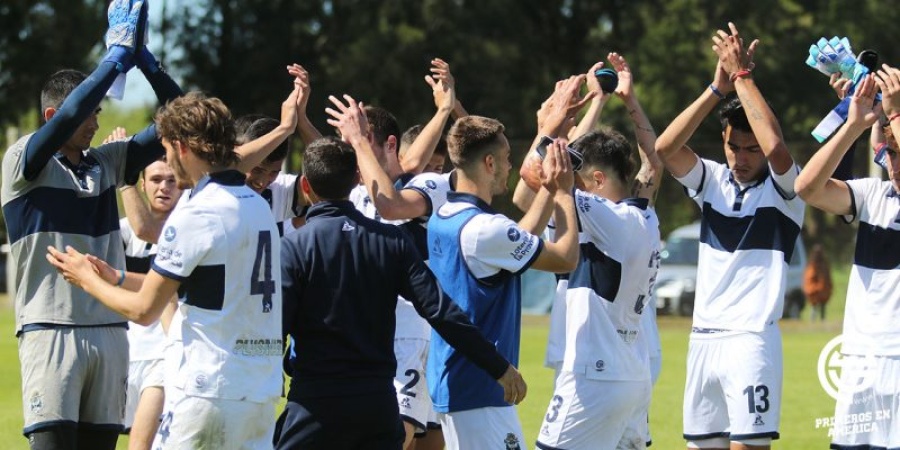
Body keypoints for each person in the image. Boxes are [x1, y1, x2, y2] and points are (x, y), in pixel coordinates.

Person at [46, 92, 283, 450]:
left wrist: (87, 279)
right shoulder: (257, 206)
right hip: (259, 393)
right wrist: (119, 277)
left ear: (182, 146)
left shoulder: (195, 212)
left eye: (168, 151)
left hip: (207, 391)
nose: (168, 163)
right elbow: (199, 285)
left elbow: (144, 310)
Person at [0, 2, 182, 448]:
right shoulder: (24, 162)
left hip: (111, 334)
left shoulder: (108, 162)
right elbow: (67, 115)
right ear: (52, 118)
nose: (97, 120)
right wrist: (112, 59)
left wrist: (145, 61)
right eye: (90, 112)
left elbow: (182, 115)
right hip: (50, 330)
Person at [274, 135, 526, 449]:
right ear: (357, 180)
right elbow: (439, 310)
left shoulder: (292, 246)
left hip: (314, 401)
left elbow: (276, 325)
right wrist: (498, 366)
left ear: (307, 187)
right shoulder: (390, 242)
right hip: (376, 405)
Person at [654, 23, 804, 450]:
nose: (740, 158)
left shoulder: (785, 191)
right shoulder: (714, 181)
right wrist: (716, 89)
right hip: (703, 338)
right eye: (732, 147)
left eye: (749, 149)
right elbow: (665, 150)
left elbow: (775, 148)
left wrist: (743, 78)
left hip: (751, 341)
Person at [517, 53, 665, 450]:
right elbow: (654, 162)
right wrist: (625, 99)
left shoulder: (600, 214)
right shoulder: (643, 216)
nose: (569, 182)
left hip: (594, 375)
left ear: (596, 180)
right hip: (631, 370)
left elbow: (533, 175)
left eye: (578, 178)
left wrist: (550, 125)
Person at [794, 71, 900, 450]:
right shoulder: (875, 195)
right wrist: (852, 123)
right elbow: (807, 188)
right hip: (861, 362)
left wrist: (897, 113)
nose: (894, 163)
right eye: (890, 153)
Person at [235, 115, 309, 235]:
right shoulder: (206, 193)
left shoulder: (280, 191)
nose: (262, 183)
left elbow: (326, 178)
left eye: (274, 172)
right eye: (257, 169)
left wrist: (303, 122)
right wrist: (285, 128)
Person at [802, 244, 832, 322]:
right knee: (814, 307)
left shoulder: (824, 264)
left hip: (823, 290)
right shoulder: (811, 265)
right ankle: (813, 321)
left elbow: (827, 277)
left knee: (822, 307)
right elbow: (809, 279)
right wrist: (815, 287)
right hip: (814, 291)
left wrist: (826, 287)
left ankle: (822, 321)